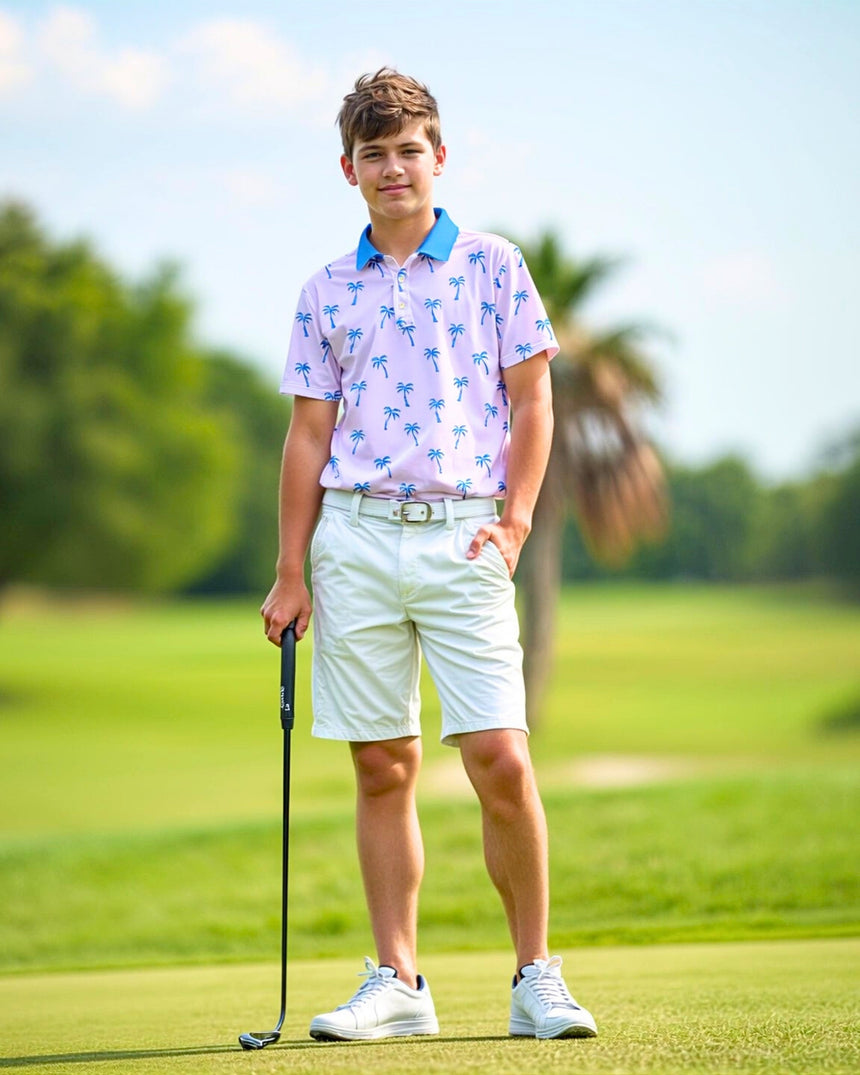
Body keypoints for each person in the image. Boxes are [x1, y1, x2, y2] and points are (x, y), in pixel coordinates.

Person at [261, 68, 597, 1043]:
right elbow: (306, 437)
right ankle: (398, 980)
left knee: (499, 755)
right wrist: (290, 570)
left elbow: (533, 400)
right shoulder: (324, 290)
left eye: (409, 150)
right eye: (374, 154)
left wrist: (517, 522)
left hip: (465, 532)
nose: (393, 168)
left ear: (439, 158)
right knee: (382, 765)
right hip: (353, 537)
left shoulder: (494, 266)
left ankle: (535, 976)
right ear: (349, 170)